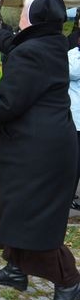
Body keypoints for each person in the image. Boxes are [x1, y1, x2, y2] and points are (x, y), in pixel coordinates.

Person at [0, 0, 80, 300]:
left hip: (39, 151)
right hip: (34, 145)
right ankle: (15, 268)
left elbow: (10, 104)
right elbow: (11, 42)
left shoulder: (33, 52)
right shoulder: (51, 42)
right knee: (0, 201)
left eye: (24, 13)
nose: (20, 18)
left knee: (34, 219)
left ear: (34, 20)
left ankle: (68, 280)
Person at [69, 44, 80, 211]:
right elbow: (71, 71)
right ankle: (68, 196)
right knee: (73, 162)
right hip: (74, 118)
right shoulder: (72, 53)